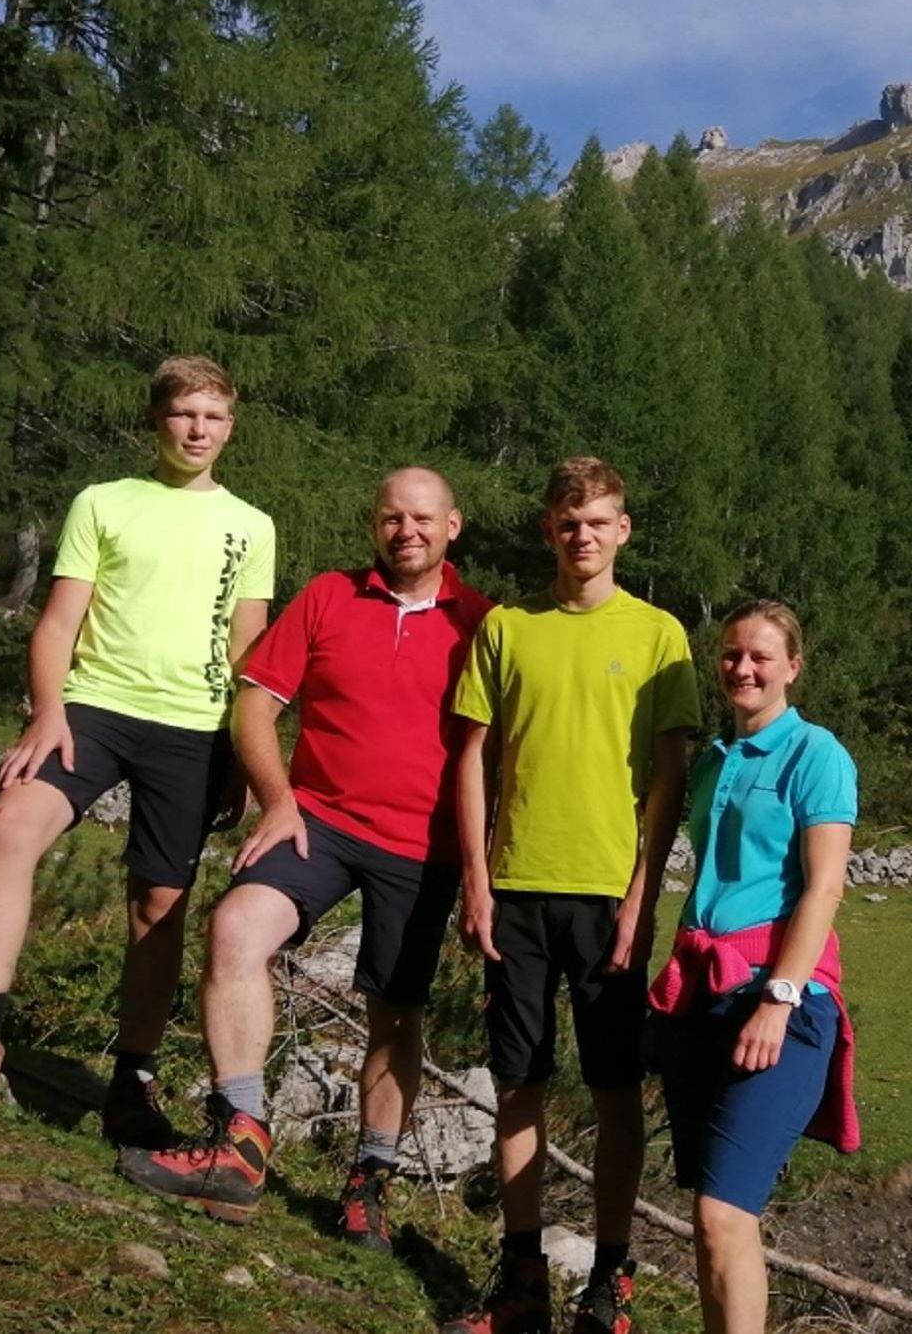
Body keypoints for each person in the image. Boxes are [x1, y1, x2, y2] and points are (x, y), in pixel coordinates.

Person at [0, 356, 274, 1144]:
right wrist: (47, 711)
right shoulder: (104, 502)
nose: (198, 430)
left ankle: (133, 1085)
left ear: (231, 426)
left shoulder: (252, 526)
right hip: (93, 708)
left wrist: (244, 756)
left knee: (159, 903)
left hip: (193, 728)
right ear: (156, 420)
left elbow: (247, 647)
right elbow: (57, 622)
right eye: (184, 414)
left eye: (214, 417)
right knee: (10, 823)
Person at [116, 468, 491, 1243]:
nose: (407, 532)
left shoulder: (485, 624)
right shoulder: (328, 595)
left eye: (423, 518)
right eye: (392, 517)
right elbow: (256, 703)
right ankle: (239, 1140)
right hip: (316, 822)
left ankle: (369, 1182)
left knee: (395, 1014)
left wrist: (488, 871)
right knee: (234, 929)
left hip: (423, 846)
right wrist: (278, 798)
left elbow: (503, 749)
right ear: (374, 523)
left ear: (453, 527)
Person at [446, 456, 700, 1334]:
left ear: (622, 531)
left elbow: (669, 779)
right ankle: (522, 1281)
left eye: (597, 522)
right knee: (517, 1084)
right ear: (548, 529)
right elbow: (471, 759)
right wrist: (476, 880)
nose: (581, 536)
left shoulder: (660, 634)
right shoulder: (508, 627)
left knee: (614, 1090)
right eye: (568, 521)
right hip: (516, 889)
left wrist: (642, 897)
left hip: (606, 899)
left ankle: (608, 1284)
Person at [647, 600, 861, 1334]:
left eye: (761, 657)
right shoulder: (714, 759)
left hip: (777, 996)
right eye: (732, 654)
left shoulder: (816, 754)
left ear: (792, 668)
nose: (743, 668)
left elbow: (824, 887)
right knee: (712, 1217)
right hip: (704, 992)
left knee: (723, 1212)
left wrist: (779, 998)